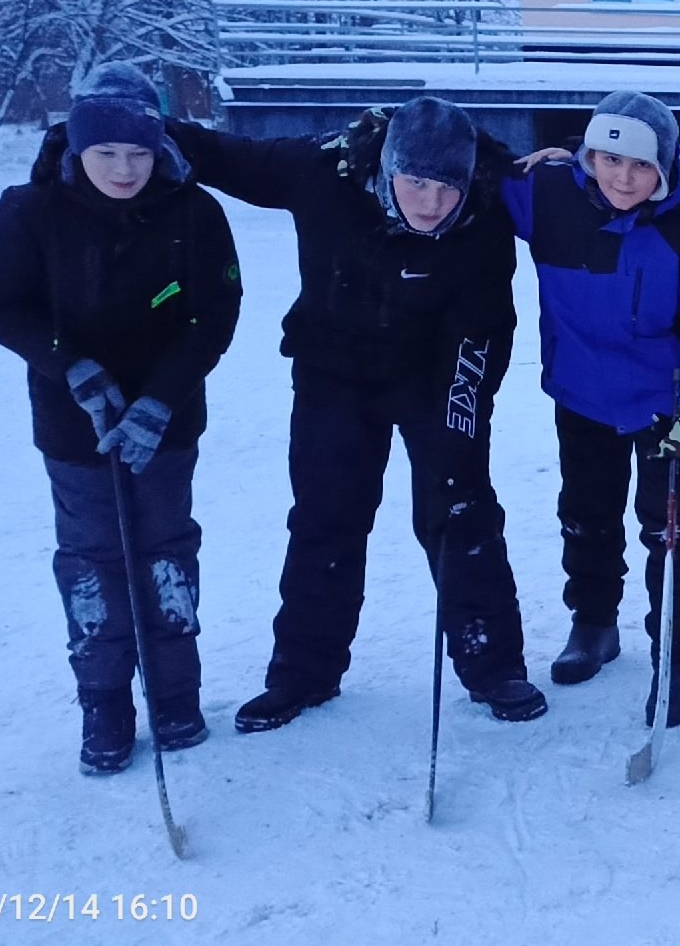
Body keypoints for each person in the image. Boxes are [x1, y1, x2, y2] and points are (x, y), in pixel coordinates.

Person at [166, 97, 547, 731]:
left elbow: (481, 333)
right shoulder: (323, 170)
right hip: (333, 374)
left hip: (433, 378)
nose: (430, 203)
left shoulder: (483, 210)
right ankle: (303, 672)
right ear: (390, 166)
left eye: (445, 187)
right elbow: (227, 156)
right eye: (416, 183)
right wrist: (133, 127)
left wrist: (459, 426)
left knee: (460, 511)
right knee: (325, 517)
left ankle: (493, 665)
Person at [0, 64, 243, 774]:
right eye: (106, 153)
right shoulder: (23, 214)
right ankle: (105, 702)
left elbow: (212, 317)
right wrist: (74, 370)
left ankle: (176, 696)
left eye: (139, 153)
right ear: (77, 148)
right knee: (93, 560)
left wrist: (159, 401)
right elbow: (1, 303)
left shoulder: (194, 213)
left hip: (167, 420)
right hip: (73, 424)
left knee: (165, 554)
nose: (124, 168)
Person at [501, 91, 680, 727]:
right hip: (580, 395)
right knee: (585, 514)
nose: (622, 178)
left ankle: (678, 654)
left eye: (640, 166)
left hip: (663, 406)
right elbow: (467, 177)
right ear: (588, 155)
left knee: (672, 530)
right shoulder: (549, 197)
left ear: (664, 168)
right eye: (608, 159)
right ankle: (595, 623)